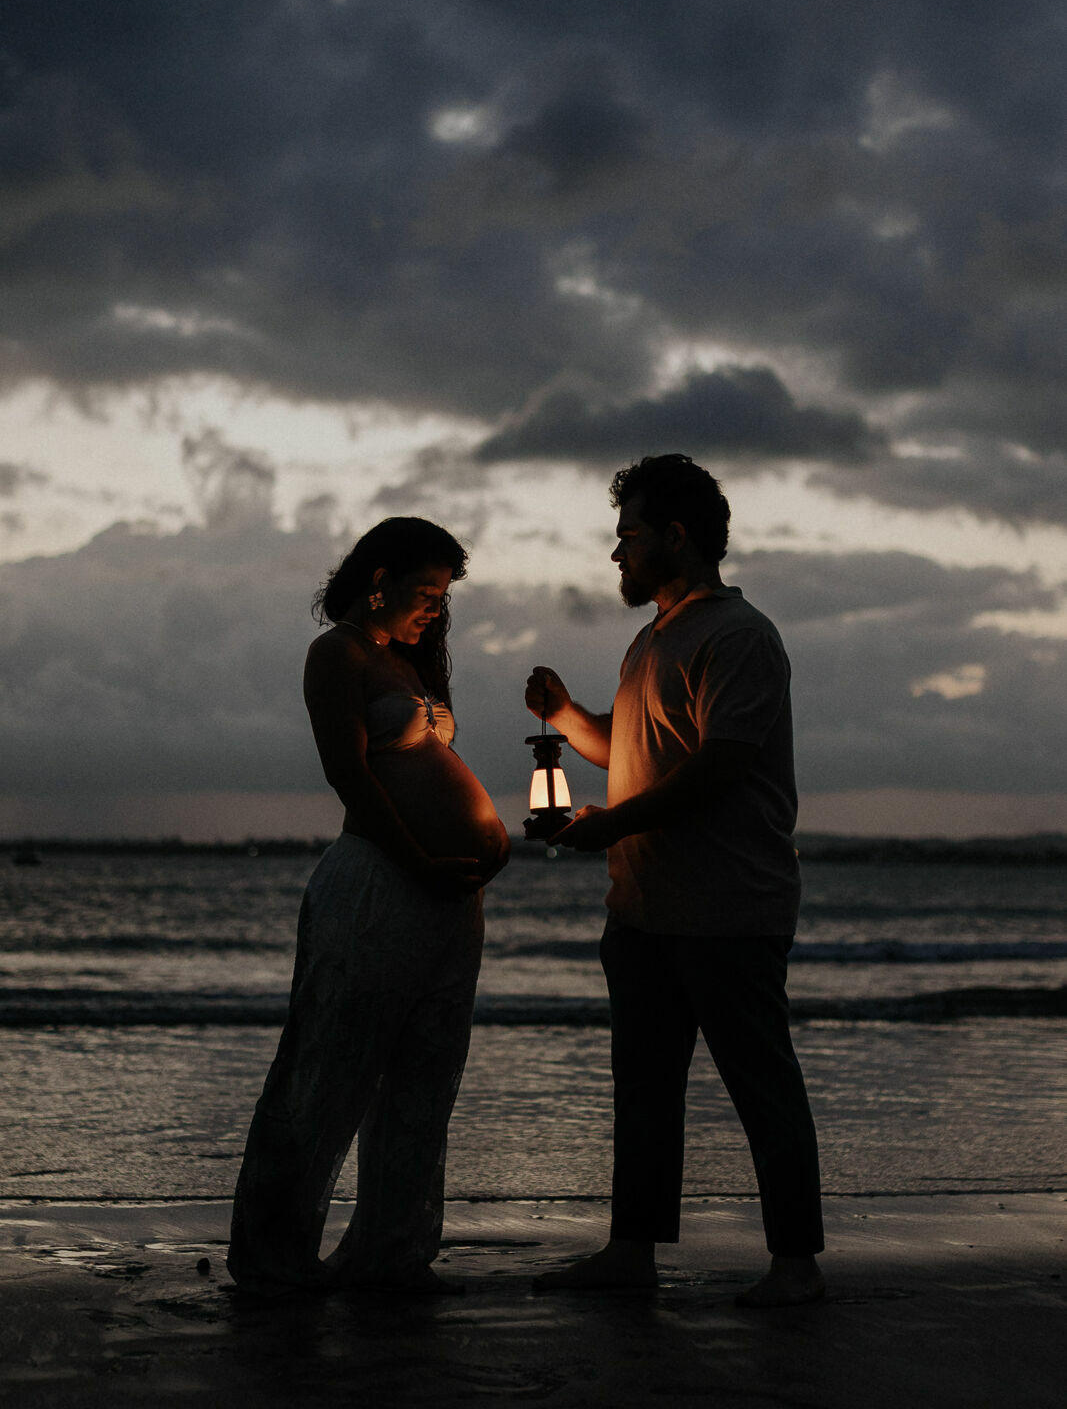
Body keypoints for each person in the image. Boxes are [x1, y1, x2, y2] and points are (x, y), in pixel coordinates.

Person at [525, 455, 824, 1307]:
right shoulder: (652, 639)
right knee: (644, 1089)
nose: (615, 555)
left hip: (730, 908)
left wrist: (607, 826)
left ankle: (795, 1266)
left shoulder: (739, 637)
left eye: (629, 537)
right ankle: (631, 1251)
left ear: (676, 537)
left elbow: (716, 770)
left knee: (761, 1084)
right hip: (645, 910)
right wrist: (564, 714)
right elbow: (628, 749)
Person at [228, 517, 509, 1296]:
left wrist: (490, 845)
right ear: (377, 577)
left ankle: (394, 1251)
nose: (434, 608)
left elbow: (436, 768)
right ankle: (274, 1256)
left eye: (442, 595)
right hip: (381, 887)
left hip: (449, 903)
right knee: (330, 1067)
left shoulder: (413, 666)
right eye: (425, 591)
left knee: (426, 1072)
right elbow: (349, 775)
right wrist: (419, 859)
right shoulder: (337, 654)